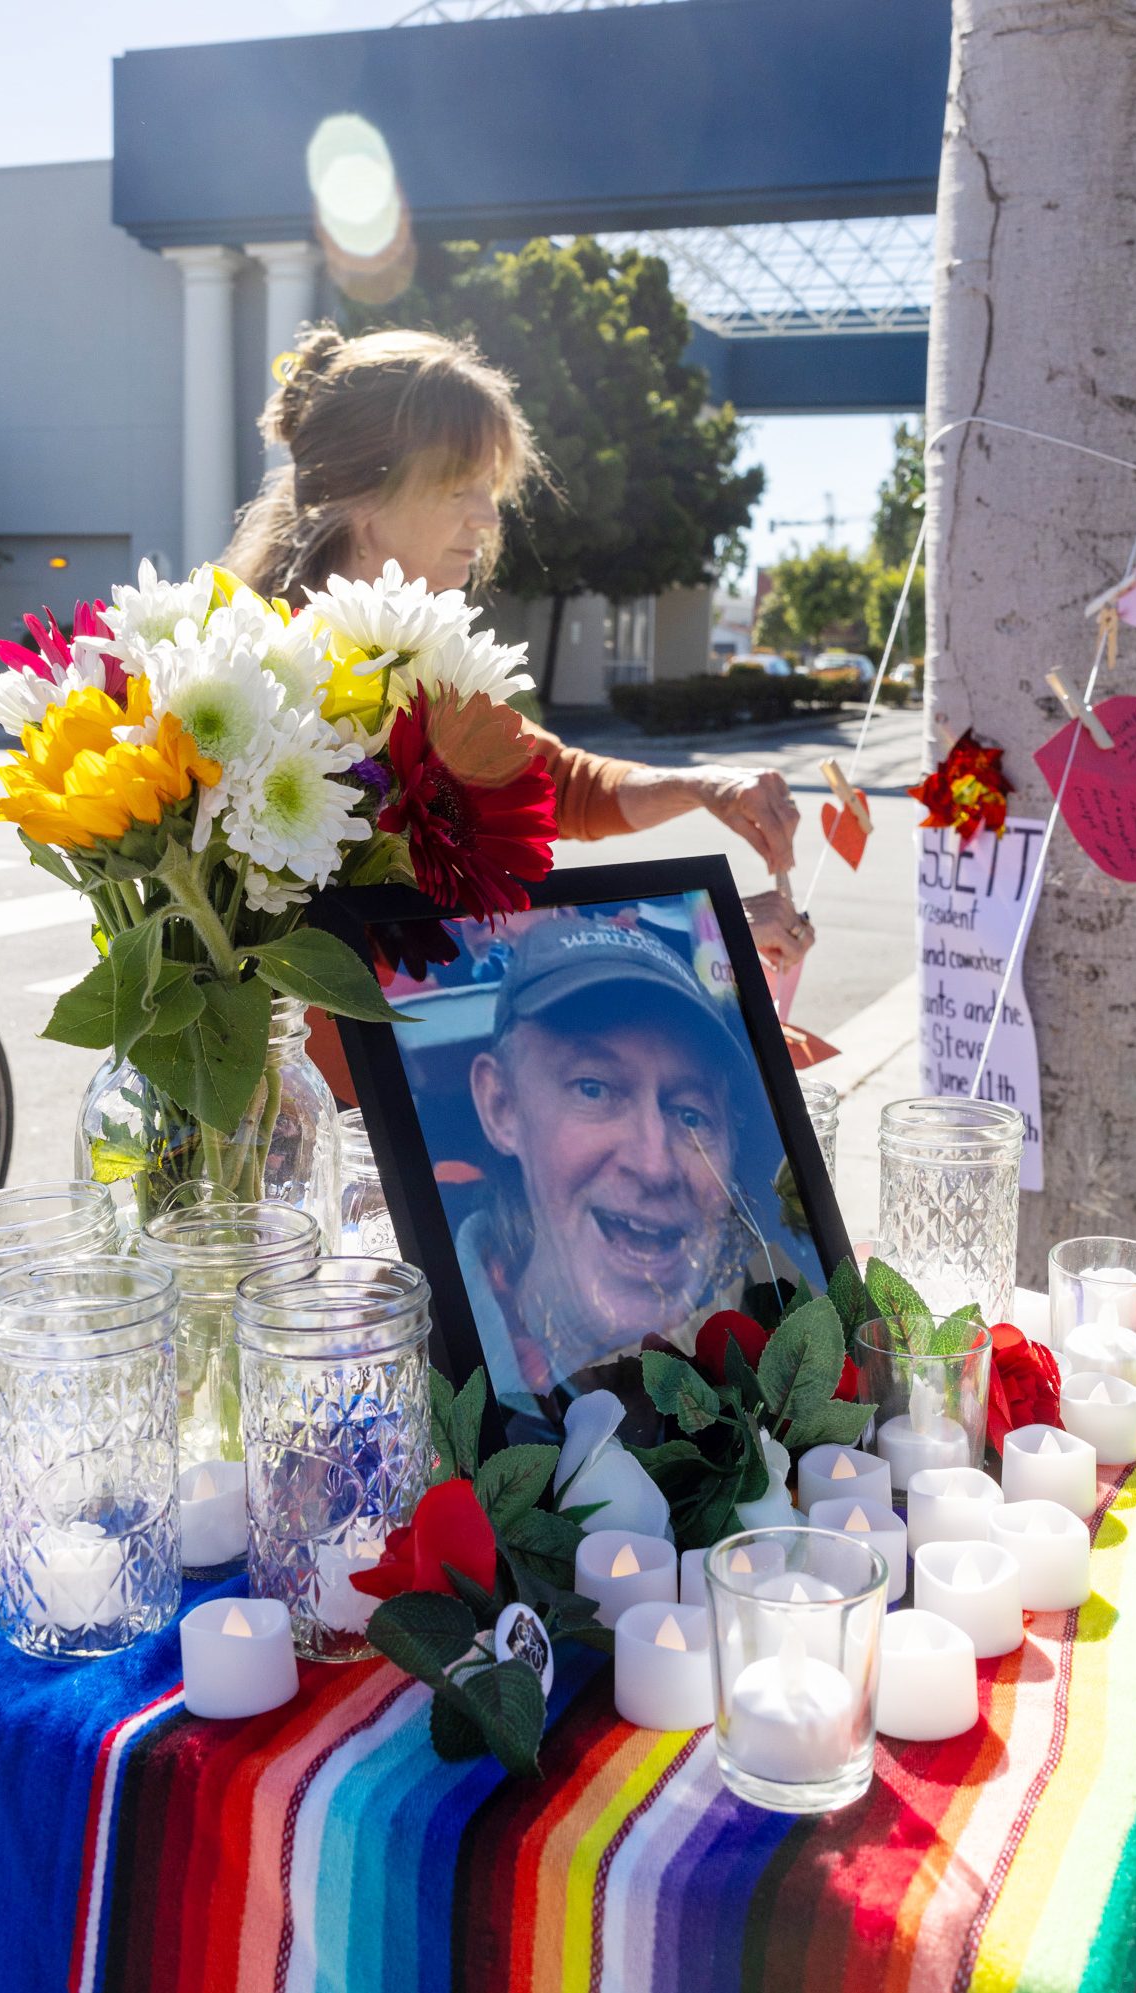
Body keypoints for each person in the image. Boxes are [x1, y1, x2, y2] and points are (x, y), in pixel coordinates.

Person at [221, 324, 816, 971]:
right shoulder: (268, 690)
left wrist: (704, 786)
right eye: (458, 487)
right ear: (364, 503)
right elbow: (390, 952)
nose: (489, 516)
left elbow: (552, 785)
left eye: (489, 487)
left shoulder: (418, 667)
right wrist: (704, 931)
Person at [458, 917, 798, 1440]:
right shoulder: (410, 1386)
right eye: (593, 1089)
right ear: (502, 1106)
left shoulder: (778, 1347)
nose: (655, 1164)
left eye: (690, 1115)